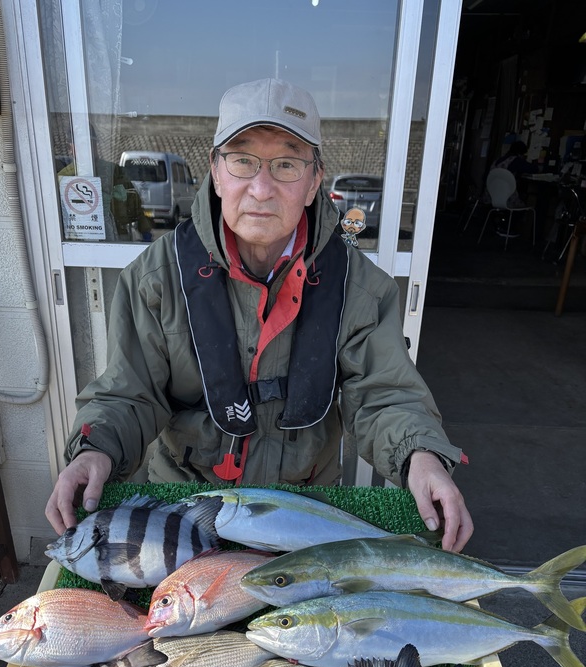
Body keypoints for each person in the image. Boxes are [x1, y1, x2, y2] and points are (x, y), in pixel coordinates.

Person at [46, 78, 473, 552]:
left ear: (313, 183)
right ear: (215, 170)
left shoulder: (360, 287)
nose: (262, 188)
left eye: (287, 165)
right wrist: (95, 449)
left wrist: (422, 457)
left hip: (305, 508)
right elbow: (129, 394)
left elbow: (386, 395)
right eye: (243, 160)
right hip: (188, 508)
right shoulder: (155, 279)